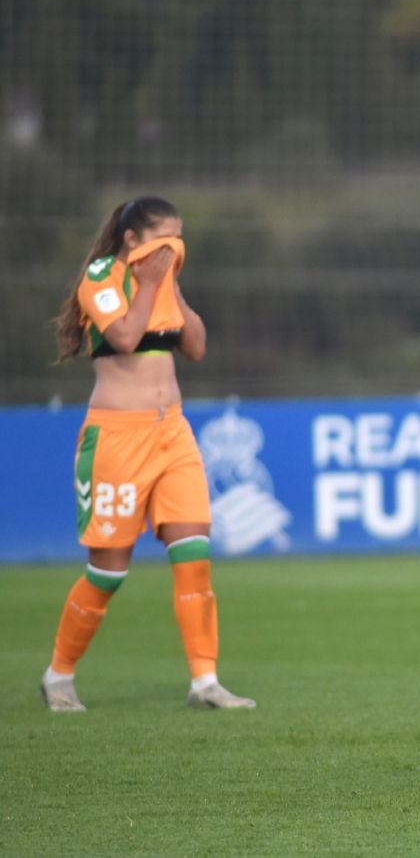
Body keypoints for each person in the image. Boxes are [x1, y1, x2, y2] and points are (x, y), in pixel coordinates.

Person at [41, 196, 254, 711]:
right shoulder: (101, 277)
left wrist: (171, 284)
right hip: (117, 439)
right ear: (132, 239)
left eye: (178, 239)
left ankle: (205, 682)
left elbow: (196, 348)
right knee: (108, 572)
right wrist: (154, 283)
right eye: (163, 239)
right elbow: (125, 336)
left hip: (172, 434)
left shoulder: (164, 281)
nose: (172, 248)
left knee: (194, 555)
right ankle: (58, 675)